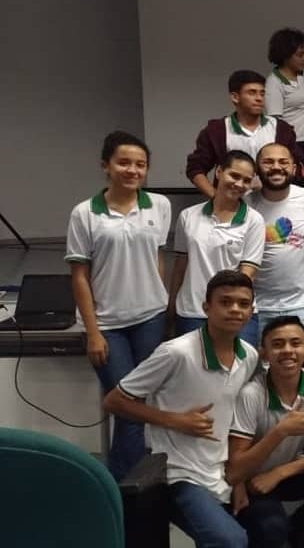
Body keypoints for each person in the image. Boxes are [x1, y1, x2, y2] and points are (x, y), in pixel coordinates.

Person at [102, 270, 262, 548]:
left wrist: (238, 480)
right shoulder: (175, 352)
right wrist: (176, 420)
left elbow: (233, 420)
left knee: (264, 530)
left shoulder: (249, 355)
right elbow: (114, 401)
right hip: (177, 473)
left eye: (243, 303)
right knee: (229, 540)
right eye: (225, 302)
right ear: (206, 307)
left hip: (219, 471)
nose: (235, 309)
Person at [67, 131, 171, 480]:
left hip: (150, 318)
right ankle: (126, 487)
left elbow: (157, 257)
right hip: (108, 325)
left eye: (140, 164)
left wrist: (160, 300)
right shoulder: (85, 213)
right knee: (128, 405)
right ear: (106, 166)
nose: (133, 170)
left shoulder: (159, 205)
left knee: (139, 404)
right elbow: (79, 276)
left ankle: (125, 485)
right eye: (124, 162)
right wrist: (93, 332)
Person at [228, 316, 304, 548]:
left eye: (295, 343)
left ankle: (298, 525)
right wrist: (280, 431)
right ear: (264, 354)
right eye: (278, 344)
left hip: (287, 472)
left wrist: (279, 473)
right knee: (271, 530)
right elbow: (235, 471)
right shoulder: (251, 394)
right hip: (253, 481)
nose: (288, 350)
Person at [170, 150, 265, 345]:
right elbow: (180, 266)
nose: (239, 184)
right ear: (219, 172)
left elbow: (248, 273)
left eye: (246, 180)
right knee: (193, 364)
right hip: (193, 311)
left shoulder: (254, 220)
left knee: (239, 364)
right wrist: (171, 306)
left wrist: (225, 306)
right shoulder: (188, 216)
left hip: (235, 311)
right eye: (234, 175)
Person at [187, 70, 299, 198]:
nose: (259, 98)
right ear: (235, 97)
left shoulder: (282, 129)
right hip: (232, 203)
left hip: (274, 201)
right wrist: (216, 198)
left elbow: (295, 167)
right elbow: (195, 168)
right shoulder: (217, 130)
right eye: (252, 92)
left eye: (262, 93)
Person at [249, 143, 304, 334]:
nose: (276, 167)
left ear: (294, 168)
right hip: (256, 307)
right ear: (256, 168)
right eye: (268, 162)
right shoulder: (246, 203)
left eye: (283, 162)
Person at [265, 1, 304, 173]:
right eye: (300, 55)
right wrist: (286, 156)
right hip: (291, 146)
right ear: (286, 56)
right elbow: (275, 126)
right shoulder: (274, 83)